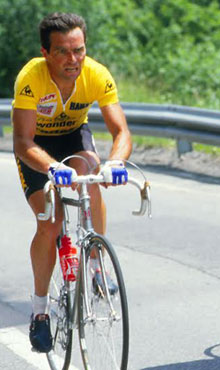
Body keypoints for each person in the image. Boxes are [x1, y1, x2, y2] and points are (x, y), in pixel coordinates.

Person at [12, 13, 132, 353]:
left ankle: (95, 264)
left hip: (72, 137)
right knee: (52, 224)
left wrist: (117, 162)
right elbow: (21, 141)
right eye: (62, 52)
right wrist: (50, 167)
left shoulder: (96, 74)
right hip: (36, 147)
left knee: (91, 171)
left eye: (78, 50)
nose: (72, 60)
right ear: (45, 53)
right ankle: (39, 312)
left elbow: (121, 131)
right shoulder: (31, 78)